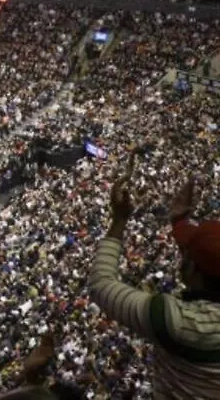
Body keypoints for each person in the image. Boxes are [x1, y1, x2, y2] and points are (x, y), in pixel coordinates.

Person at [90, 167, 220, 398]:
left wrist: (119, 220)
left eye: (186, 255)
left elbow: (101, 284)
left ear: (194, 270)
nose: (181, 257)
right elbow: (208, 264)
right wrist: (179, 221)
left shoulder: (177, 321)